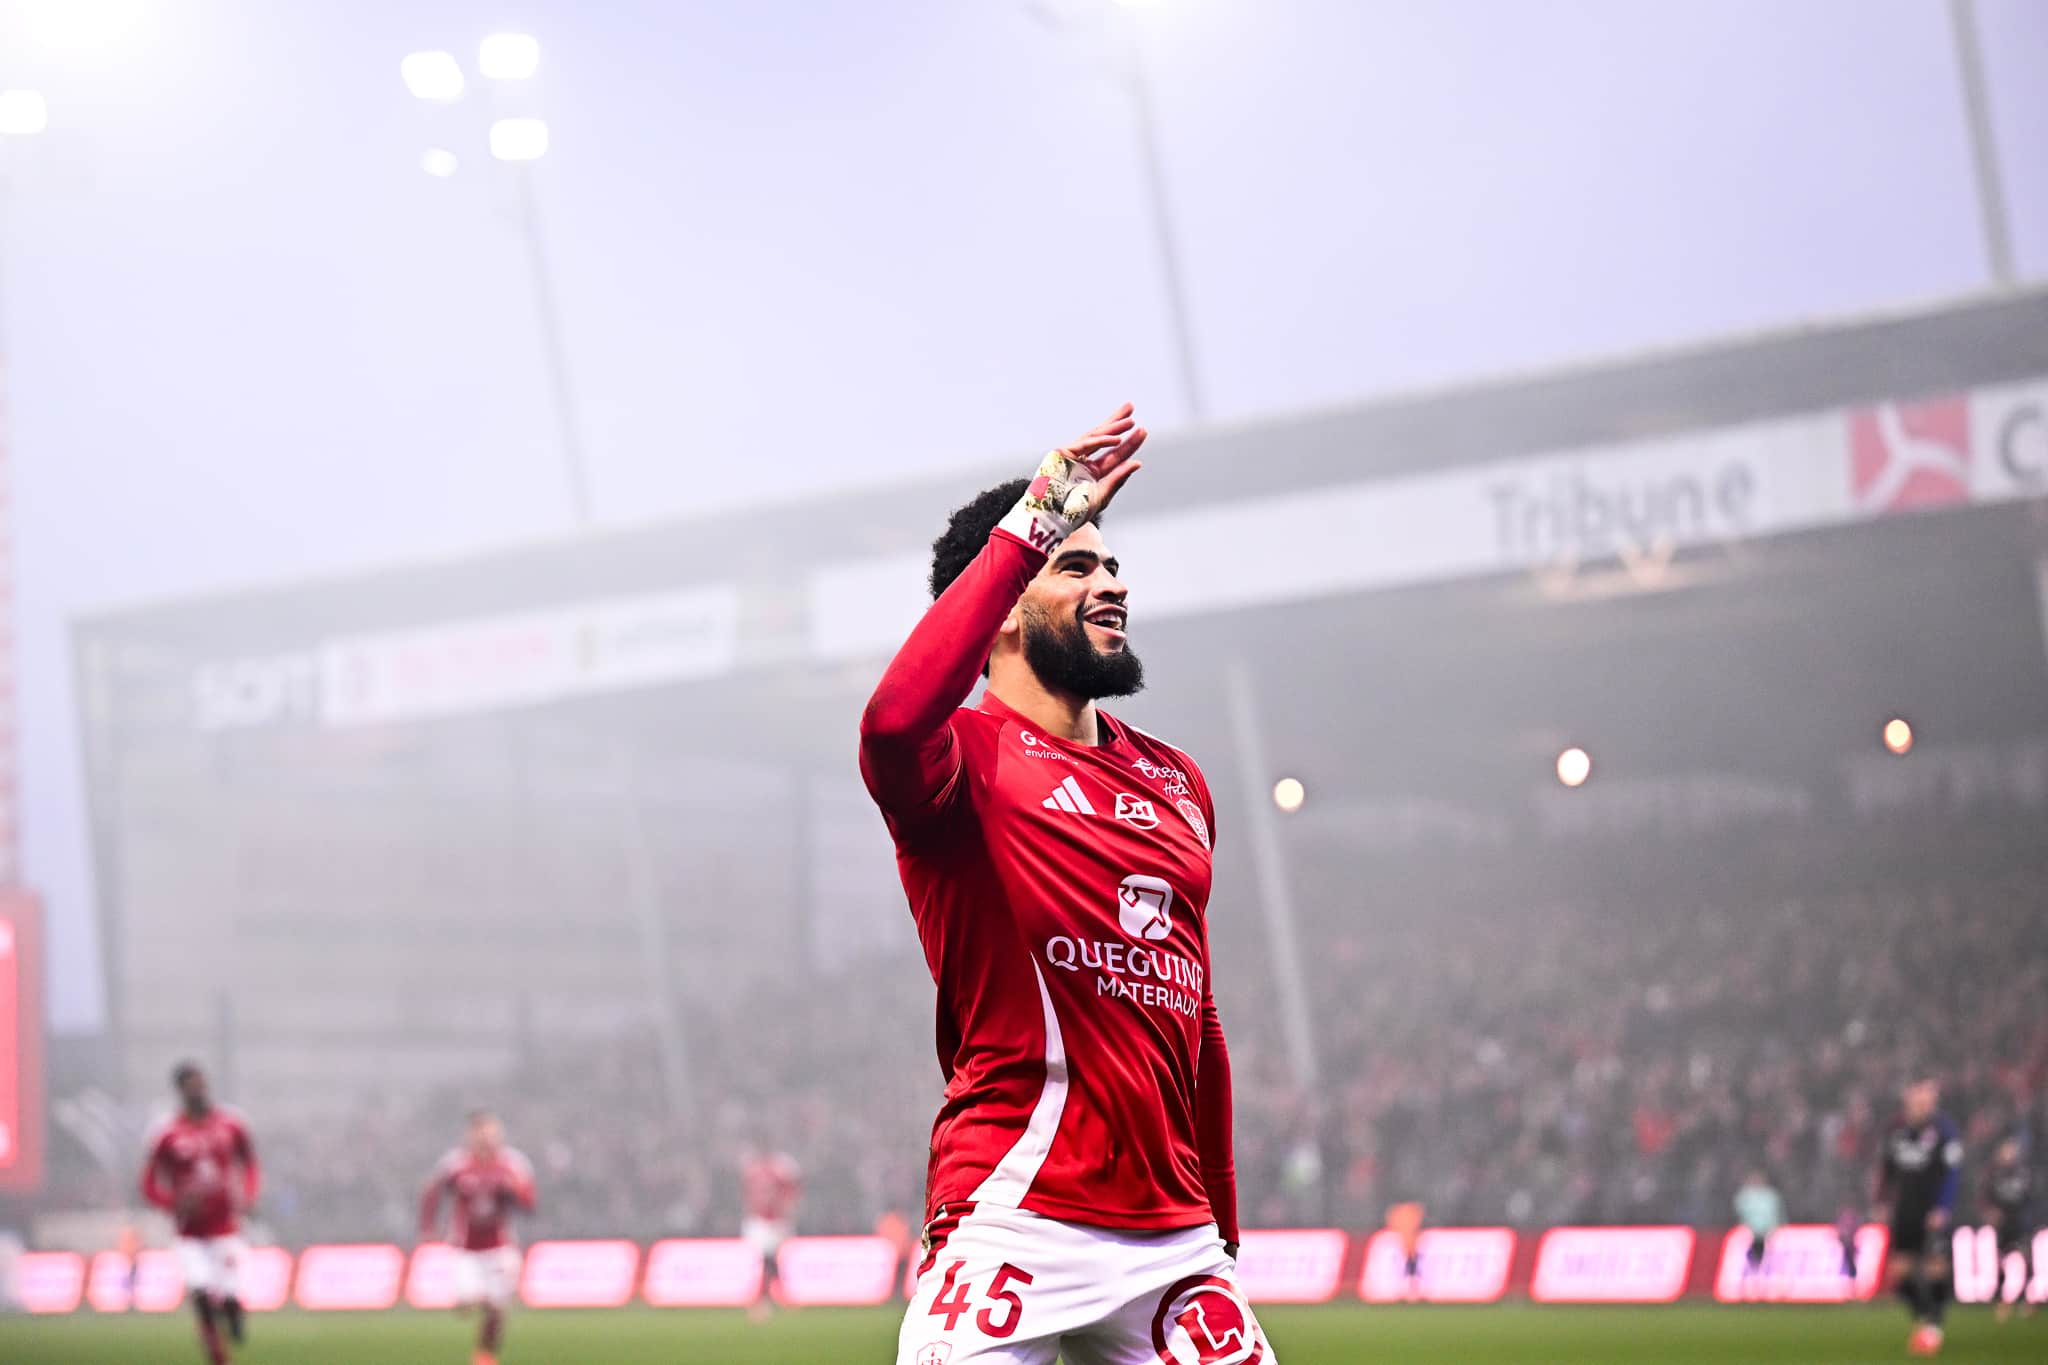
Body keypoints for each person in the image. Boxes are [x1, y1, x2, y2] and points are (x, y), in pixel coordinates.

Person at [860, 405, 1263, 1364]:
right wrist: (1033, 516)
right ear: (998, 607)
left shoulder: (1179, 781)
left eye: (1113, 565)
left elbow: (1196, 1023)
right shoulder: (958, 761)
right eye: (1075, 565)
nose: (1112, 581)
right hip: (1012, 1214)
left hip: (1175, 1242)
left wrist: (1227, 1232)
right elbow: (887, 722)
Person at [140, 1062, 260, 1365]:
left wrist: (248, 1195)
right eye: (192, 1085)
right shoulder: (166, 1133)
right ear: (180, 1090)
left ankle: (233, 1314)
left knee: (229, 1295)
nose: (199, 1091)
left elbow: (250, 1164)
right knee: (201, 1292)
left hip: (226, 1228)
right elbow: (148, 1183)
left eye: (202, 1084)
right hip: (189, 1233)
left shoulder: (231, 1124)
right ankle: (217, 1355)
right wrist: (172, 1204)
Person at [419, 1110, 536, 1365]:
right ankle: (480, 1303)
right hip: (466, 1248)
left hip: (500, 1246)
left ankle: (484, 1357)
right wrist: (428, 1227)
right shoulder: (456, 1164)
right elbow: (432, 1193)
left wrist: (514, 1191)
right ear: (470, 1135)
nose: (486, 1137)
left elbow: (530, 1203)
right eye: (480, 1132)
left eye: (491, 1132)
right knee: (467, 1303)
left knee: (498, 1308)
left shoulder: (513, 1164)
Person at [1874, 1078, 1963, 1355]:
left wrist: (1942, 1207)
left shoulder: (1944, 1132)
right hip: (1905, 1211)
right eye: (1916, 1100)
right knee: (1900, 1276)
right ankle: (1924, 1319)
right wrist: (1882, 1201)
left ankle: (1934, 1326)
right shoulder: (1896, 1131)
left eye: (1926, 1101)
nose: (1920, 1106)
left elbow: (1952, 1174)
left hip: (1931, 1211)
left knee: (1935, 1268)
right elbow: (1886, 1170)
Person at [740, 1146, 802, 1323]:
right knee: (768, 1260)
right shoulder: (758, 1169)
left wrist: (788, 1210)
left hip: (775, 1221)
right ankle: (769, 1299)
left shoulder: (778, 1168)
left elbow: (792, 1191)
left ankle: (770, 1298)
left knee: (771, 1261)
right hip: (761, 1221)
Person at [1981, 1135, 2035, 1322]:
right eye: (2005, 1149)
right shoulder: (1993, 1173)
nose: (2008, 1153)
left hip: (2020, 1222)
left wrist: (2031, 1218)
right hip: (2002, 1225)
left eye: (2011, 1149)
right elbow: (1983, 1197)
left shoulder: (2023, 1172)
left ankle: (2028, 1300)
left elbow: (2031, 1198)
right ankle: (2003, 1301)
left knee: (2025, 1261)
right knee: (2000, 1262)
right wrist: (1989, 1212)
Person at [1732, 1169, 1785, 1301]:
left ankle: (1764, 1289)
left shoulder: (1770, 1196)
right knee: (1751, 1263)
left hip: (1766, 1235)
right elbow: (1739, 1215)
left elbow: (1777, 1215)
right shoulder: (1745, 1196)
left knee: (1765, 1263)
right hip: (1750, 1236)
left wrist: (1774, 1230)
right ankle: (1748, 1289)